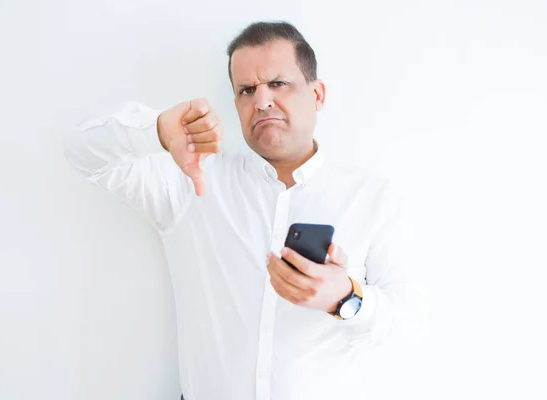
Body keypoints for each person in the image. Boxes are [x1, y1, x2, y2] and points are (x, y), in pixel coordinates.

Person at [64, 21, 423, 400]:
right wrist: (156, 130)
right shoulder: (194, 180)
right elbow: (82, 153)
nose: (262, 101)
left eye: (278, 84)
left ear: (317, 94)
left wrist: (345, 298)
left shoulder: (371, 197)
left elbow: (411, 325)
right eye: (247, 90)